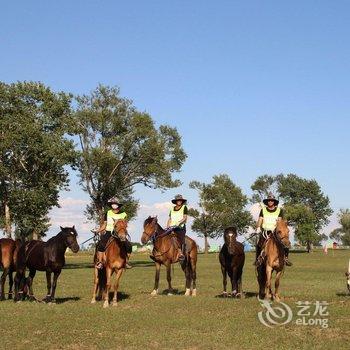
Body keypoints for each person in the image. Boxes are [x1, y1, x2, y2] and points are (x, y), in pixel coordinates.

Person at [254, 193, 292, 266]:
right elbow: (260, 220)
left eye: (272, 200)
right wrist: (258, 227)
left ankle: (286, 258)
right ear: (267, 202)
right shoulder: (263, 210)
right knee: (259, 243)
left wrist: (278, 230)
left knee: (285, 241)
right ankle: (258, 259)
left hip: (275, 231)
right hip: (265, 232)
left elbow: (280, 221)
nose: (270, 202)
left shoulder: (279, 210)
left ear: (274, 202)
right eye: (269, 201)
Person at [94, 197, 132, 269]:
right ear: (111, 205)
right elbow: (104, 225)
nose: (114, 205)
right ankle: (100, 262)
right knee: (101, 245)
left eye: (115, 204)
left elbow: (125, 224)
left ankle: (126, 262)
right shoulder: (108, 213)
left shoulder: (124, 214)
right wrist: (98, 230)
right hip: (109, 232)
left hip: (120, 233)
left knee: (129, 246)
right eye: (112, 204)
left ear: (118, 205)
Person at [166, 194, 188, 262]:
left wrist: (179, 222)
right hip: (172, 227)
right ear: (176, 201)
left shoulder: (184, 207)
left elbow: (185, 218)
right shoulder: (172, 209)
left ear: (182, 201)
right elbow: (169, 219)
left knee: (179, 239)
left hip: (180, 227)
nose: (179, 201)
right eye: (178, 200)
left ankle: (181, 253)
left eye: (180, 200)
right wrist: (168, 226)